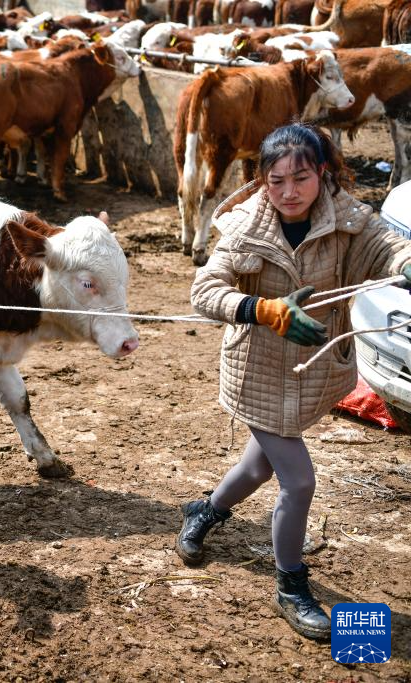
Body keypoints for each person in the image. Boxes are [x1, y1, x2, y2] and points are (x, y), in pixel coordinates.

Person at [180, 123, 411, 640]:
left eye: (300, 178)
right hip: (257, 373)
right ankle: (291, 584)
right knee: (298, 481)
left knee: (258, 466)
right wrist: (260, 308)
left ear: (321, 173)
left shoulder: (350, 220)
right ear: (262, 179)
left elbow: (387, 249)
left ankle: (207, 511)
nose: (288, 192)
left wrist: (408, 262)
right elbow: (205, 290)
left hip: (310, 375)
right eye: (276, 179)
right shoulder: (245, 228)